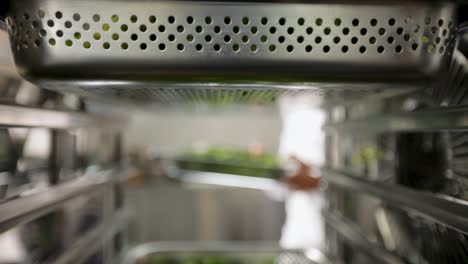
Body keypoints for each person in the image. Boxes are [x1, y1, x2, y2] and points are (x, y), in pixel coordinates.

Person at [278, 95, 325, 250]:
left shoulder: (314, 119)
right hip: (304, 228)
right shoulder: (295, 123)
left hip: (313, 228)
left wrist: (315, 181)